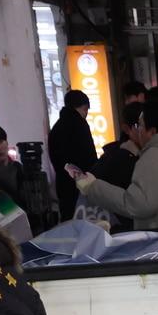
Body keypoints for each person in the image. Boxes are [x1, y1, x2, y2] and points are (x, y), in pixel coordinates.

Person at [73, 97, 158, 230]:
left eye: (141, 125)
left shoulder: (155, 155)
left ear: (152, 131)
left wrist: (93, 187)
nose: (138, 131)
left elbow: (138, 205)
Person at [85, 103, 144, 231]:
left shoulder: (144, 156)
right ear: (126, 129)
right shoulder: (118, 158)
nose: (145, 131)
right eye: (140, 126)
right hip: (118, 229)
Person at [48, 90, 99, 222]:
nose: (86, 114)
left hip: (63, 185)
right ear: (82, 107)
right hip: (81, 185)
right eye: (86, 110)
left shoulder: (56, 127)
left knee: (69, 223)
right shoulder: (80, 124)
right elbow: (90, 156)